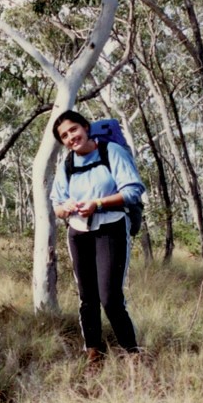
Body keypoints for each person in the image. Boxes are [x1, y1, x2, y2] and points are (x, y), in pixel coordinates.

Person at [50, 110, 145, 363]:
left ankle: (131, 351)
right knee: (87, 297)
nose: (71, 137)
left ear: (85, 127)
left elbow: (133, 191)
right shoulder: (67, 165)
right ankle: (93, 351)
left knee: (110, 297)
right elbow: (57, 205)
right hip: (79, 232)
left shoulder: (111, 152)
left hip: (111, 227)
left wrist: (98, 203)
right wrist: (65, 209)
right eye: (65, 136)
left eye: (74, 130)